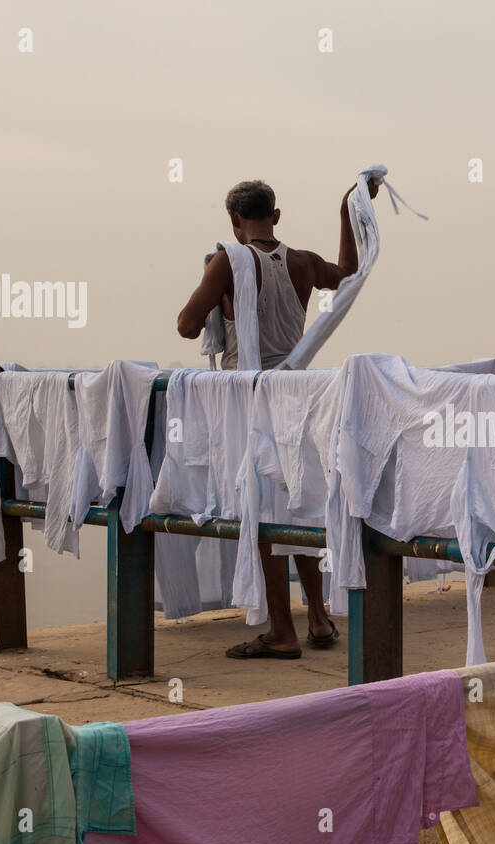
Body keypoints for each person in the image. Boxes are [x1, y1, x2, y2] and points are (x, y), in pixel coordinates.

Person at [176, 178, 378, 659]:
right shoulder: (303, 262)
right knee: (298, 507)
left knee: (263, 516)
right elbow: (348, 271)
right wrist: (348, 206)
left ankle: (282, 631)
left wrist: (216, 286)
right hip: (297, 396)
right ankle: (320, 618)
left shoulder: (230, 259)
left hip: (249, 402)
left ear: (234, 222)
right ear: (277, 216)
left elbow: (186, 325)